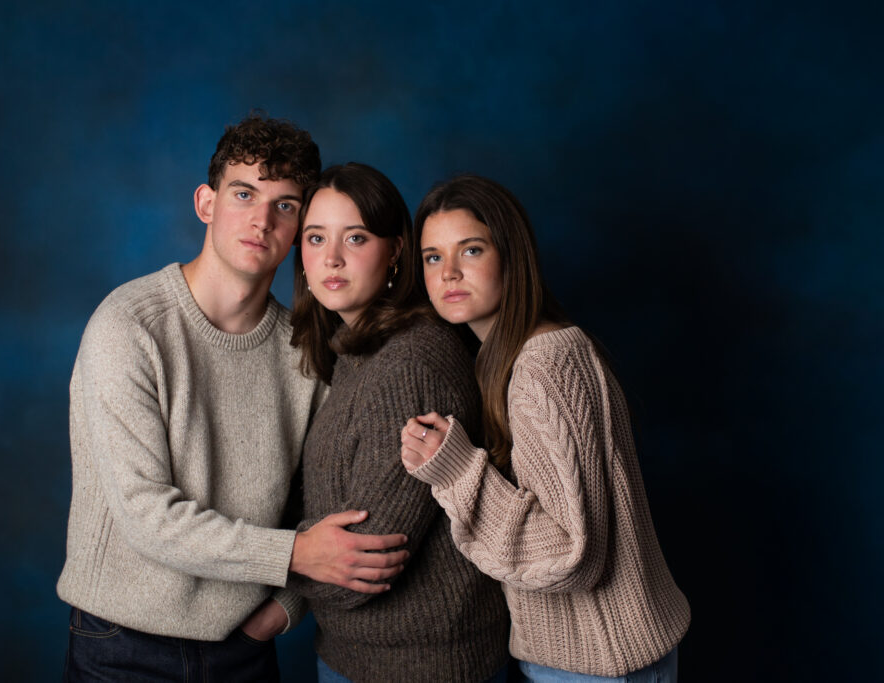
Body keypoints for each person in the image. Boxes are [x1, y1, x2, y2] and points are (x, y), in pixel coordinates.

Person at [57, 115, 411, 682]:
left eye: (286, 205)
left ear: (301, 227)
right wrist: (293, 556)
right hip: (123, 647)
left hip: (244, 645)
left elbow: (322, 507)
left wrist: (281, 611)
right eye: (244, 193)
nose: (262, 219)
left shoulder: (306, 352)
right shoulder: (128, 326)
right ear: (207, 202)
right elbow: (147, 513)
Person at [400, 175, 690, 682]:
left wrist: (455, 470)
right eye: (432, 256)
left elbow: (569, 553)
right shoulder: (537, 351)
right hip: (606, 658)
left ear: (511, 255)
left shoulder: (541, 365)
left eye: (470, 250)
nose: (448, 273)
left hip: (597, 665)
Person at [286, 163, 510, 683]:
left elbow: (359, 567)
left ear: (396, 253)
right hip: (356, 657)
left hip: (423, 667)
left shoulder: (409, 364)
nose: (331, 258)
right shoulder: (357, 352)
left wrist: (270, 560)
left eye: (356, 238)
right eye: (315, 238)